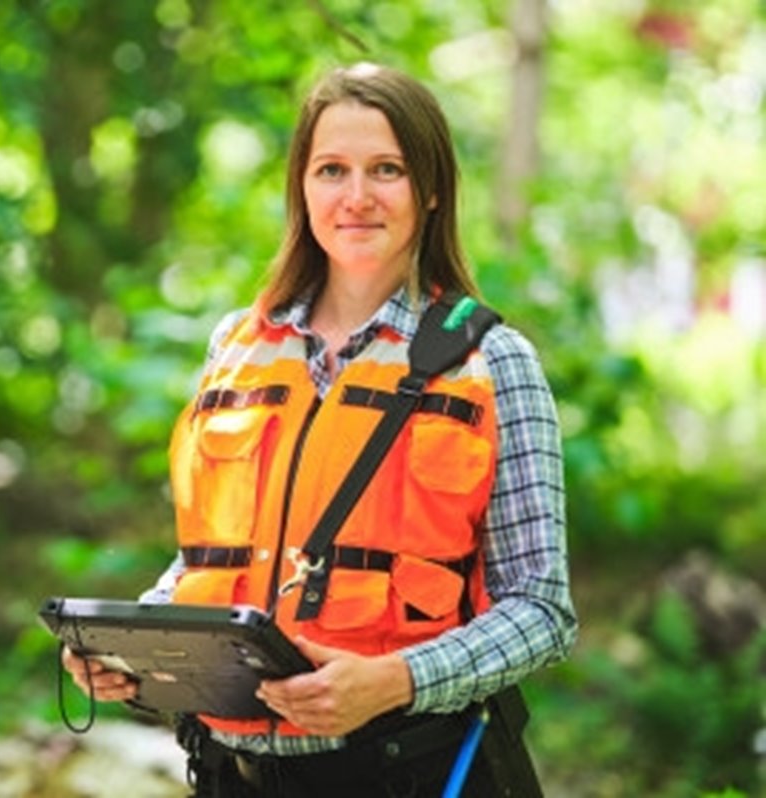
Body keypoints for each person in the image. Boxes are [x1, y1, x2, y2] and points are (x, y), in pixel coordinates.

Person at [63, 62, 577, 797]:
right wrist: (136, 647)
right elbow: (214, 565)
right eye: (332, 169)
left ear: (431, 190)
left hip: (409, 771)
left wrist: (396, 679)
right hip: (228, 773)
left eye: (387, 170)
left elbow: (543, 611)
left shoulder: (493, 362)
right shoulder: (236, 348)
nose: (357, 197)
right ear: (302, 188)